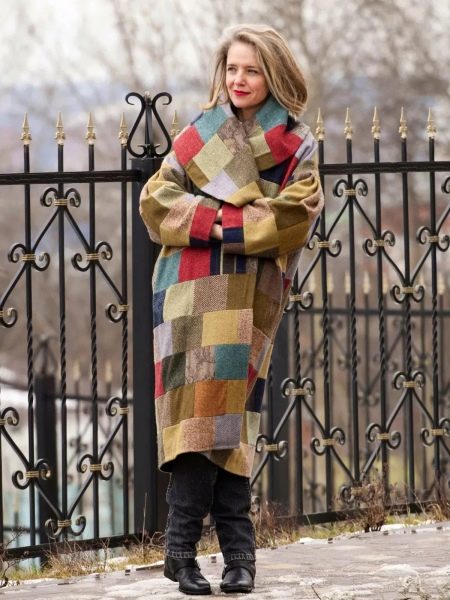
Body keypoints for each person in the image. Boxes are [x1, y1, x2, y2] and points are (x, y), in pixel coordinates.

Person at [139, 23, 324, 595]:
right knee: (200, 419)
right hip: (189, 290)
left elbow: (293, 219)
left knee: (230, 419)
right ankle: (212, 554)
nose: (239, 79)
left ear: (275, 75)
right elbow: (156, 202)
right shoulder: (199, 134)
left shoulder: (296, 144)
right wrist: (228, 223)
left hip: (253, 296)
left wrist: (209, 220)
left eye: (252, 70)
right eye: (232, 68)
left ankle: (202, 555)